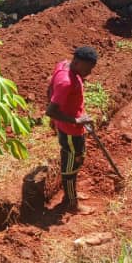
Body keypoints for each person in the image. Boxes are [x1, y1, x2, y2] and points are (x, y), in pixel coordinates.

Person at [45, 46, 98, 215]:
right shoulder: (66, 82)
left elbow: (50, 89)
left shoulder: (64, 65)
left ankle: (71, 193)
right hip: (70, 132)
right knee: (71, 166)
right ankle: (71, 203)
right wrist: (77, 120)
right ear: (77, 62)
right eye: (87, 68)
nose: (89, 73)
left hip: (72, 127)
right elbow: (50, 110)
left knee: (77, 159)